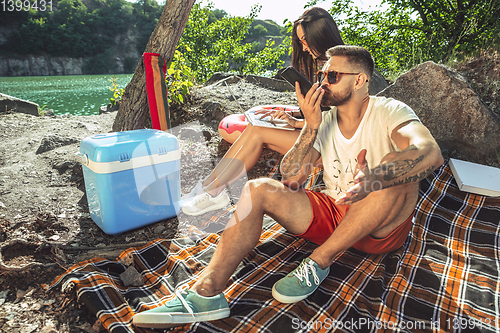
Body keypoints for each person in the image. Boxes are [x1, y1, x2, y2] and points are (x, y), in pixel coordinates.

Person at [132, 45, 444, 328]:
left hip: (378, 228)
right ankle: (206, 294)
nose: (322, 83)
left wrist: (377, 177)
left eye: (332, 76)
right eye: (321, 75)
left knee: (399, 169)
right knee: (257, 189)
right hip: (334, 212)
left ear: (360, 80)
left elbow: (429, 152)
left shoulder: (390, 111)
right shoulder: (326, 119)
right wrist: (310, 127)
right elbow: (293, 176)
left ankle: (320, 261)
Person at [181, 7, 345, 216]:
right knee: (253, 128)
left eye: (305, 41)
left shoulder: (341, 69)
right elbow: (326, 111)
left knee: (258, 132)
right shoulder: (326, 65)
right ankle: (206, 188)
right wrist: (296, 115)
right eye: (301, 42)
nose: (304, 48)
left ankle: (213, 194)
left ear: (320, 35)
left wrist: (297, 123)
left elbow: (341, 121)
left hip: (331, 145)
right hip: (320, 135)